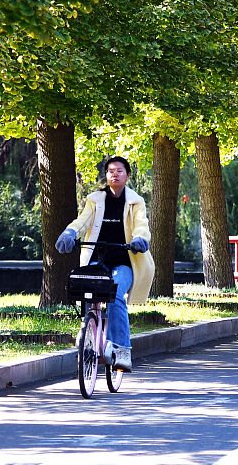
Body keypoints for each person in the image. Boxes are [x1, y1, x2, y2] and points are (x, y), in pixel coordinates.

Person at [55, 156, 155, 372]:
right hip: (97, 259)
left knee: (116, 293)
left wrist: (140, 239)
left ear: (127, 175)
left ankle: (121, 350)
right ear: (106, 175)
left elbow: (141, 225)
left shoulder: (136, 202)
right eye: (111, 170)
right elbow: (82, 221)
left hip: (124, 261)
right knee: (86, 291)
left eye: (120, 170)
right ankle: (89, 331)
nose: (115, 174)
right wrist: (70, 233)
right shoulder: (96, 199)